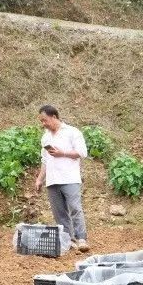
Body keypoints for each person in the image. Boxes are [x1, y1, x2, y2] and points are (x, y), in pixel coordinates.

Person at [34, 105, 90, 252]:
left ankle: (82, 238)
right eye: (41, 121)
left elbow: (82, 152)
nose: (43, 124)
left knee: (75, 208)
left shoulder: (72, 132)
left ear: (54, 117)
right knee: (59, 213)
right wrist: (40, 179)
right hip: (52, 179)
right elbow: (45, 160)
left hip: (70, 177)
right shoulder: (45, 136)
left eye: (45, 120)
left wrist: (63, 153)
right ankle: (68, 240)